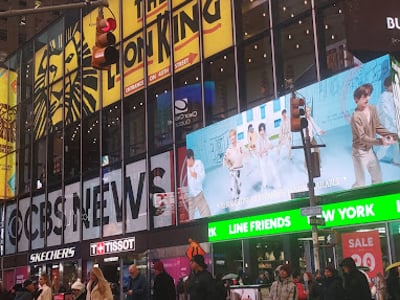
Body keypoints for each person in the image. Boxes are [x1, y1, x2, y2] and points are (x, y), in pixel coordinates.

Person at [351, 83, 396, 188]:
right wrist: (381, 142)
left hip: (370, 150)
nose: (367, 98)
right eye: (364, 97)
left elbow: (377, 126)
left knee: (378, 179)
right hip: (359, 152)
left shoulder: (372, 108)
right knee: (360, 184)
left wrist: (390, 135)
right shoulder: (355, 117)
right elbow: (362, 138)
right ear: (356, 99)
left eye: (368, 95)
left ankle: (377, 200)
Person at [377, 76, 400, 166]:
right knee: (386, 145)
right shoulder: (384, 96)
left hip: (393, 126)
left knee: (396, 145)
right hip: (387, 126)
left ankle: (396, 161)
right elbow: (388, 112)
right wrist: (395, 122)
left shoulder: (394, 94)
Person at [186, 149, 211, 219]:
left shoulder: (198, 163)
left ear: (191, 158)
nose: (186, 162)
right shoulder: (186, 168)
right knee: (189, 217)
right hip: (189, 196)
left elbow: (203, 177)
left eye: (187, 160)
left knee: (206, 214)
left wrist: (196, 175)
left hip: (198, 193)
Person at [257, 123, 281, 190]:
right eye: (260, 130)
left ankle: (279, 185)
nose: (262, 132)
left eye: (263, 130)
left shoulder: (266, 137)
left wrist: (270, 146)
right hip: (262, 159)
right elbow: (259, 153)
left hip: (267, 157)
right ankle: (264, 187)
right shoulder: (258, 139)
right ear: (259, 131)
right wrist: (265, 149)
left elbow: (271, 145)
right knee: (264, 174)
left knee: (274, 170)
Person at [223, 129, 244, 200]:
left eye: (233, 135)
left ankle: (238, 194)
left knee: (238, 184)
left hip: (238, 169)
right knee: (232, 184)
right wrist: (226, 160)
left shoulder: (240, 145)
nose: (232, 137)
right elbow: (225, 161)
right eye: (230, 136)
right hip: (232, 170)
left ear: (235, 136)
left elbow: (242, 155)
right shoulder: (228, 149)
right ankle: (233, 198)